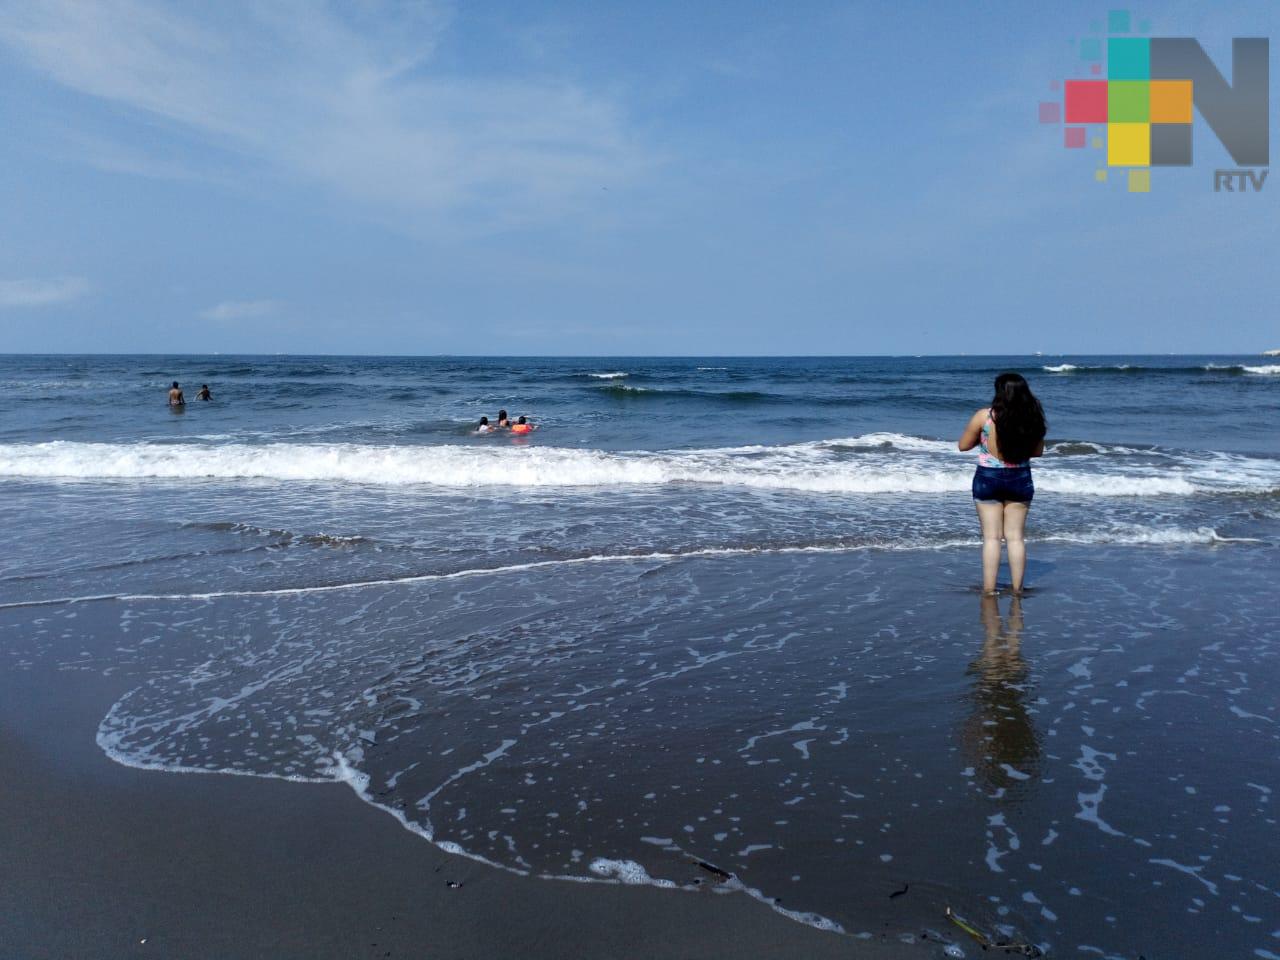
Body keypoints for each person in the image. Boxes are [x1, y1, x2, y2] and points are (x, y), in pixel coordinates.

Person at [957, 372, 1046, 595]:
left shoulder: (984, 416)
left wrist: (983, 439)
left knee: (992, 538)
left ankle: (989, 590)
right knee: (1015, 538)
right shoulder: (1032, 418)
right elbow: (1038, 452)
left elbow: (963, 446)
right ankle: (1017, 589)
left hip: (988, 477)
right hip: (1019, 477)